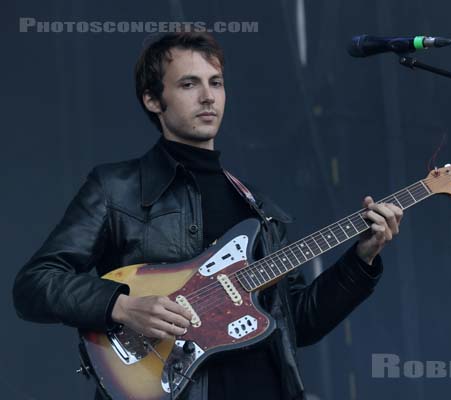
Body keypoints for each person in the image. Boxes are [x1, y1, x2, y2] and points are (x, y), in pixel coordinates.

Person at [13, 32, 403, 400]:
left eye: (215, 83)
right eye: (189, 84)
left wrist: (362, 259)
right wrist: (121, 305)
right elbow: (34, 285)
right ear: (153, 99)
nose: (207, 97)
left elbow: (299, 322)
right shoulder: (117, 189)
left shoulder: (257, 209)